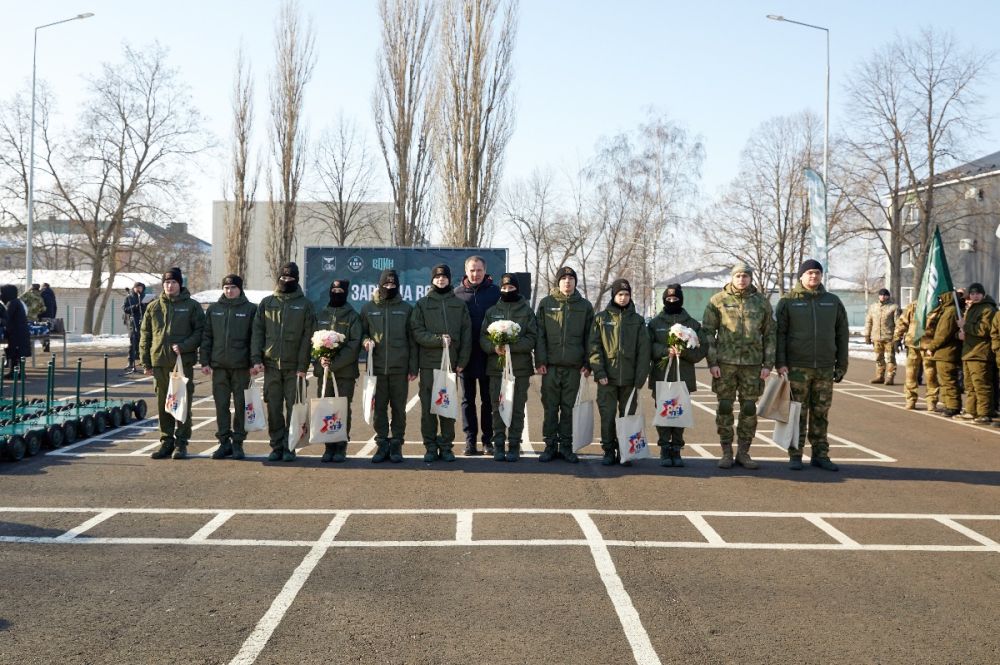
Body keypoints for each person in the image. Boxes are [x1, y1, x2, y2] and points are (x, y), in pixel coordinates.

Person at [775, 260, 849, 471]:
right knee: (797, 411)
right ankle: (795, 454)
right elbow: (779, 334)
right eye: (809, 273)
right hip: (797, 367)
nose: (813, 277)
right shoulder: (788, 301)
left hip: (825, 367)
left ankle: (820, 454)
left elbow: (842, 334)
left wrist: (841, 364)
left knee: (821, 412)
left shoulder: (832, 302)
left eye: (817, 273)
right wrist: (780, 362)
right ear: (801, 276)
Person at [702, 263, 775, 470]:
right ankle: (726, 451)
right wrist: (712, 362)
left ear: (750, 278)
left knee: (749, 409)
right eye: (738, 276)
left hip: (753, 365)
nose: (741, 279)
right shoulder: (718, 301)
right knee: (725, 407)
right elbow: (708, 333)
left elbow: (770, 334)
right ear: (732, 278)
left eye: (745, 276)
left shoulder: (761, 303)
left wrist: (768, 363)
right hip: (725, 364)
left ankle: (744, 452)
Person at [251, 262, 317, 462]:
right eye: (284, 277)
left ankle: (290, 446)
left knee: (294, 408)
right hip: (271, 365)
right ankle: (276, 445)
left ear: (296, 280)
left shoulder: (305, 305)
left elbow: (308, 337)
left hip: (294, 367)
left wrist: (302, 366)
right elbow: (257, 332)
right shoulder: (267, 303)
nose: (286, 281)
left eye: (291, 278)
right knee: (273, 407)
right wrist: (256, 358)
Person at [140, 267, 205, 460]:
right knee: (163, 404)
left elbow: (200, 332)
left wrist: (184, 346)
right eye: (167, 282)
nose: (170, 285)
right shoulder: (154, 307)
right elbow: (146, 335)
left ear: (180, 284)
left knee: (181, 404)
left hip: (181, 363)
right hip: (159, 362)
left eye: (173, 282)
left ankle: (181, 444)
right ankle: (166, 442)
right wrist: (146, 361)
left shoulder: (192, 306)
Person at [411, 264, 472, 462]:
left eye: (444, 277)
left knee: (447, 408)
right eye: (437, 277)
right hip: (429, 365)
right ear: (432, 280)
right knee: (429, 408)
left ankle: (446, 446)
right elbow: (417, 332)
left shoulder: (459, 304)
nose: (441, 280)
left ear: (449, 279)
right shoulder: (422, 304)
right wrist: (438, 340)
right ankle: (430, 446)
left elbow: (466, 333)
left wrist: (462, 360)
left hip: (451, 366)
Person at [535, 266, 594, 463]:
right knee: (551, 408)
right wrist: (540, 360)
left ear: (575, 282)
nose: (567, 281)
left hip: (574, 368)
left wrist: (588, 363)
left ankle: (567, 447)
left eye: (571, 278)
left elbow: (590, 337)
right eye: (564, 278)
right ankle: (550, 446)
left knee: (569, 409)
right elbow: (539, 335)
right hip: (550, 367)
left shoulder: (585, 306)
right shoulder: (546, 304)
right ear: (557, 282)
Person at [589, 279, 651, 466]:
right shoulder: (601, 318)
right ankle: (608, 450)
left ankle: (625, 451)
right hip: (607, 379)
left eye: (626, 295)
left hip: (629, 379)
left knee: (627, 418)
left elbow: (644, 351)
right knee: (607, 417)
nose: (623, 298)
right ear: (614, 296)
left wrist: (640, 378)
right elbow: (594, 347)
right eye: (620, 294)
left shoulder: (638, 321)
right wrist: (599, 373)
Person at [360, 269, 417, 463]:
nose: (389, 287)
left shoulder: (407, 308)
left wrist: (413, 367)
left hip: (399, 369)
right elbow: (362, 333)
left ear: (398, 286)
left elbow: (412, 341)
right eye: (386, 284)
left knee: (399, 409)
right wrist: (366, 341)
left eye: (393, 285)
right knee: (379, 409)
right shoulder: (368, 308)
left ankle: (396, 445)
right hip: (376, 369)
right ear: (380, 285)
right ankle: (382, 444)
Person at [480, 273, 538, 462]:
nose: (507, 291)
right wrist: (494, 348)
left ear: (517, 289)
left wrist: (511, 347)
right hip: (497, 369)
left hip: (520, 369)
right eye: (504, 288)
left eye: (511, 288)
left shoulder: (527, 311)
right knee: (497, 407)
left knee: (517, 408)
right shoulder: (492, 311)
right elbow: (483, 337)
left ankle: (514, 445)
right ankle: (498, 445)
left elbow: (532, 338)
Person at [199, 274, 257, 460]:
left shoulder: (250, 309)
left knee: (240, 406)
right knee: (221, 406)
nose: (229, 291)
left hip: (241, 367)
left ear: (240, 289)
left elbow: (255, 338)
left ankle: (238, 443)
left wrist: (253, 362)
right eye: (226, 287)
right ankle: (224, 443)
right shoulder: (214, 309)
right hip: (219, 367)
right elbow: (207, 336)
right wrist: (205, 361)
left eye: (233, 287)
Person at [649, 284, 707, 468]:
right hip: (662, 376)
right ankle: (665, 448)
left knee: (679, 413)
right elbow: (647, 347)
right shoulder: (655, 323)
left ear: (681, 300)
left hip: (683, 376)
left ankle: (677, 448)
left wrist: (685, 353)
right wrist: (664, 351)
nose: (672, 301)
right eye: (668, 299)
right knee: (664, 413)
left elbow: (702, 349)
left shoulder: (692, 324)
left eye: (675, 299)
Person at [454, 255, 501, 455]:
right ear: (466, 271)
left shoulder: (496, 293)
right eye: (472, 270)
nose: (475, 274)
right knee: (467, 400)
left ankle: (488, 441)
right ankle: (470, 441)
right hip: (466, 357)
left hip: (489, 356)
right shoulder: (456, 295)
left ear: (485, 271)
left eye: (479, 270)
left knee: (489, 401)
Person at [312, 278, 362, 463]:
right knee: (326, 408)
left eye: (341, 291)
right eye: (334, 290)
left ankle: (341, 447)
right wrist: (320, 357)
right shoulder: (321, 314)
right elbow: (313, 340)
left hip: (344, 373)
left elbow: (354, 345)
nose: (337, 293)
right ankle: (328, 447)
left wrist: (335, 363)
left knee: (341, 409)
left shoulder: (352, 316)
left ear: (346, 293)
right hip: (323, 371)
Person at [920, 291, 963, 418]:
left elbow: (943, 334)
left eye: (941, 299)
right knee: (944, 380)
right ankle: (948, 404)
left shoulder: (950, 312)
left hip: (947, 352)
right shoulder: (947, 311)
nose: (939, 301)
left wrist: (932, 347)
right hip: (944, 352)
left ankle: (953, 406)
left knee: (948, 380)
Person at [958, 283, 995, 424]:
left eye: (977, 293)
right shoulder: (972, 308)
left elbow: (983, 330)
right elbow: (969, 329)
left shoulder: (987, 309)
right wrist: (961, 333)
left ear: (983, 294)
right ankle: (971, 410)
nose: (974, 296)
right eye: (972, 294)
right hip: (969, 351)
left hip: (980, 352)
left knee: (981, 385)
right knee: (970, 385)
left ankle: (984, 413)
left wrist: (965, 326)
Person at [894, 301, 938, 410]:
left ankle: (931, 401)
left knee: (931, 374)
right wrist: (897, 338)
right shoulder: (914, 305)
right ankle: (910, 399)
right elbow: (903, 321)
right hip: (913, 343)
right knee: (911, 374)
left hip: (929, 345)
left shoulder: (937, 305)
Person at [864, 288, 900, 384]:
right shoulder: (873, 307)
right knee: (878, 357)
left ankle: (890, 377)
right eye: (881, 295)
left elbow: (898, 324)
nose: (883, 297)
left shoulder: (893, 307)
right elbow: (869, 321)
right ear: (878, 296)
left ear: (888, 296)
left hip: (889, 337)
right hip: (876, 337)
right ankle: (880, 376)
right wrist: (867, 335)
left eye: (885, 295)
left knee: (890, 358)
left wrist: (897, 338)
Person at [0, 285, 31, 378]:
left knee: (16, 353)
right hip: (19, 332)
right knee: (18, 353)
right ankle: (17, 372)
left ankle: (16, 373)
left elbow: (7, 318)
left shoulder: (12, 303)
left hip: (17, 333)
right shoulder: (17, 302)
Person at [123, 283, 148, 374]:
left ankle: (144, 361)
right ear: (133, 288)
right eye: (136, 287)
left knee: (145, 342)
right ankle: (130, 362)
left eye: (140, 287)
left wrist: (145, 305)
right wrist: (136, 306)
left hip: (145, 322)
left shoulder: (145, 297)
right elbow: (125, 309)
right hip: (133, 323)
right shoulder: (129, 298)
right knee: (133, 341)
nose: (138, 289)